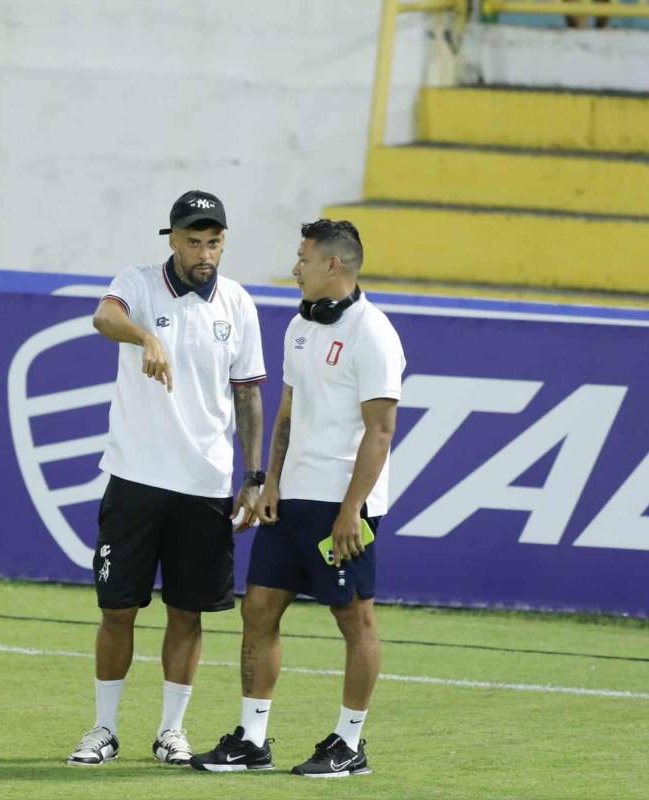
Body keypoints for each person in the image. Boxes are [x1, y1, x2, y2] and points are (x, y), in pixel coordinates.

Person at [190, 218, 405, 778]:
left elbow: (380, 432)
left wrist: (352, 509)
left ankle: (349, 743)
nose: (296, 267)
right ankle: (253, 740)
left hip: (344, 504)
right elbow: (287, 410)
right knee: (258, 608)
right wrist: (269, 480)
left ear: (334, 264)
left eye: (304, 258)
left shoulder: (374, 334)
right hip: (293, 497)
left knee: (353, 619)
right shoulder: (299, 326)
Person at [66, 190, 267, 767]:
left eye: (214, 241)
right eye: (193, 241)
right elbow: (104, 316)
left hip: (204, 484)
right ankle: (103, 729)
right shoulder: (139, 282)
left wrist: (253, 476)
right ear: (173, 240)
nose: (205, 252)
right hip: (134, 477)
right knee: (118, 610)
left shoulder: (238, 304)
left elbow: (248, 393)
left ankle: (171, 732)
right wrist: (146, 336)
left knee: (188, 612)